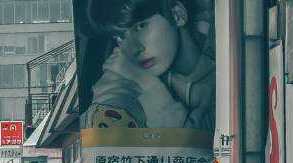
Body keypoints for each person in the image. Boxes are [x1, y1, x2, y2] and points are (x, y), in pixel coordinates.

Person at [81, 0, 214, 131]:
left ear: (177, 14)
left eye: (141, 26)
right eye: (120, 36)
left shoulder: (226, 59)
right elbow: (109, 98)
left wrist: (146, 82)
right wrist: (144, 81)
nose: (133, 49)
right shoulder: (125, 68)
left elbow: (197, 143)